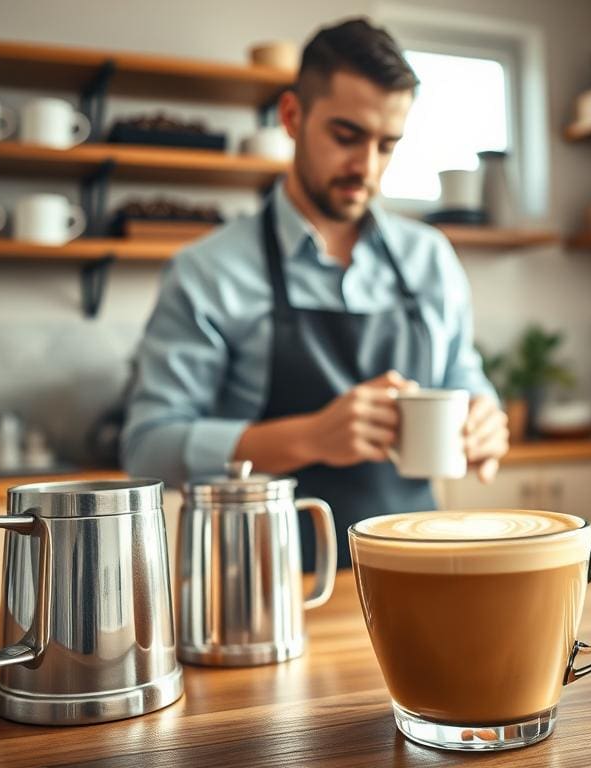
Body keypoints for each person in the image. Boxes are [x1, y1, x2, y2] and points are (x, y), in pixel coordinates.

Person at [122, 17, 509, 569]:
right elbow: (149, 451)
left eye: (387, 146)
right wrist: (308, 437)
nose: (366, 168)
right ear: (291, 117)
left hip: (416, 568)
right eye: (346, 137)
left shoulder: (430, 259)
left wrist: (484, 416)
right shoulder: (208, 271)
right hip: (255, 591)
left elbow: (462, 379)